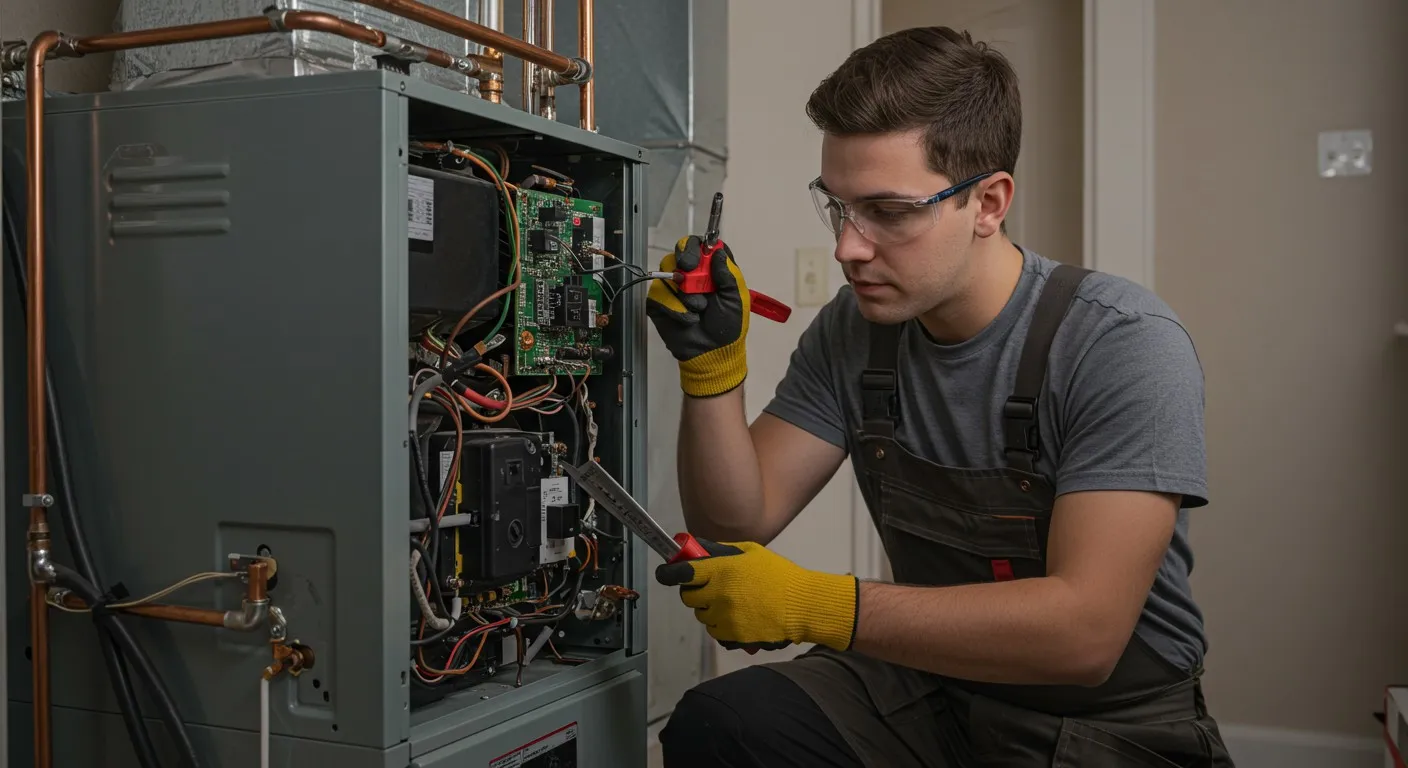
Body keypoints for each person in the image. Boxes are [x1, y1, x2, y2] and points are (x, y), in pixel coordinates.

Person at [642, 25, 1234, 768]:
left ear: (988, 202)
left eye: (889, 212)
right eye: (839, 206)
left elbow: (1085, 633)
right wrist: (711, 372)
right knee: (725, 722)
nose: (848, 248)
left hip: (1110, 722)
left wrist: (816, 605)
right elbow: (738, 517)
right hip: (931, 690)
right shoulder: (854, 332)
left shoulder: (1122, 343)